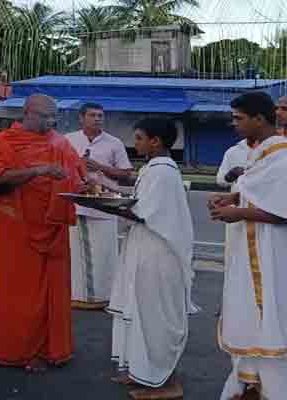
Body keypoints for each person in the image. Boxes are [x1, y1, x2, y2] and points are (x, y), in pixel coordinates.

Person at [0, 94, 84, 372]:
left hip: (52, 227)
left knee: (50, 290)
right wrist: (38, 170)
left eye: (54, 116)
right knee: (11, 290)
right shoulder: (3, 142)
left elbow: (78, 177)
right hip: (16, 228)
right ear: (27, 113)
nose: (51, 122)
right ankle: (5, 346)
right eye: (45, 116)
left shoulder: (60, 143)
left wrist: (87, 182)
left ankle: (44, 351)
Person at [105, 117, 193, 399]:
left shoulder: (163, 172)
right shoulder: (154, 168)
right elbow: (142, 206)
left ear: (155, 141)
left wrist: (107, 204)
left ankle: (165, 382)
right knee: (141, 313)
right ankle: (142, 372)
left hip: (158, 254)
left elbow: (142, 212)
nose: (136, 143)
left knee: (155, 317)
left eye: (140, 138)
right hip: (145, 247)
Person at [209, 92, 287, 400]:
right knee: (252, 315)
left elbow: (282, 211)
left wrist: (238, 212)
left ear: (259, 119)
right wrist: (231, 198)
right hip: (248, 249)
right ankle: (249, 383)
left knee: (269, 315)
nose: (234, 124)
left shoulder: (281, 156)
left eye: (238, 118)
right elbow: (256, 192)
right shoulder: (261, 153)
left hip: (271, 252)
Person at [65, 102, 133, 310]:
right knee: (75, 254)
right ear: (81, 118)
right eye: (93, 115)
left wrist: (99, 167)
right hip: (77, 202)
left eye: (100, 115)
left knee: (105, 253)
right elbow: (59, 168)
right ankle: (77, 296)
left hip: (105, 205)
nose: (97, 119)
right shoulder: (68, 140)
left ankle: (106, 296)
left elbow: (127, 174)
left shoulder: (114, 143)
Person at [216, 137, 257, 277]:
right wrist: (232, 174)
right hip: (237, 212)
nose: (236, 126)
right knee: (236, 254)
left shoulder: (276, 150)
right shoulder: (233, 152)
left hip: (263, 213)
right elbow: (221, 180)